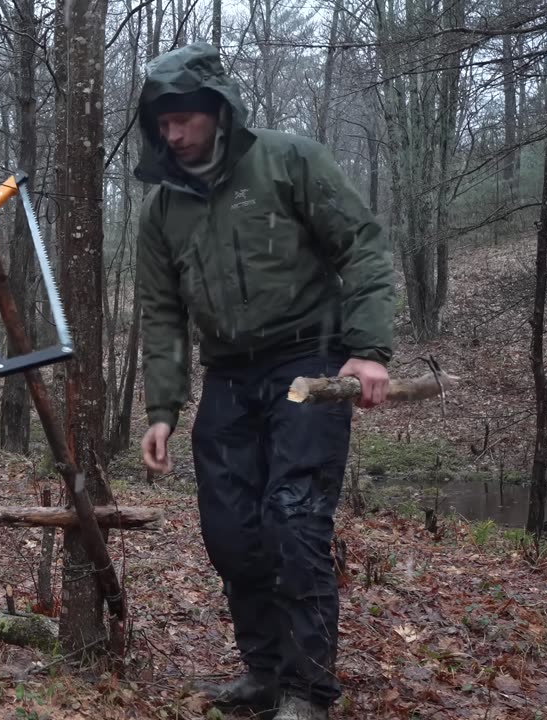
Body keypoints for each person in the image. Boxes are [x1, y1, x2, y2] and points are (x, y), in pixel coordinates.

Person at [132, 43, 395, 720]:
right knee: (229, 532)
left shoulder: (289, 160)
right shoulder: (162, 214)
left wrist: (367, 350)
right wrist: (161, 409)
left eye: (185, 120)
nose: (174, 135)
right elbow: (161, 313)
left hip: (308, 362)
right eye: (163, 125)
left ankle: (308, 690)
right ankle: (265, 671)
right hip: (227, 375)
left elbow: (360, 242)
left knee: (293, 519)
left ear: (218, 112)